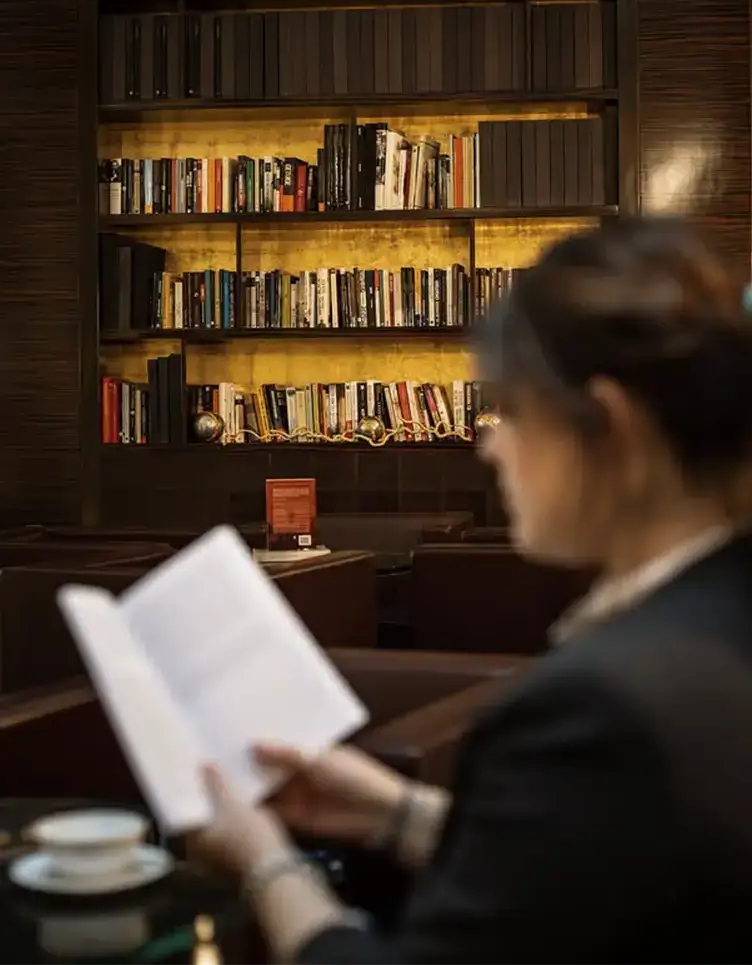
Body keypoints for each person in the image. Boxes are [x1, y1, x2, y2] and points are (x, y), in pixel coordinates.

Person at [197, 216, 752, 962]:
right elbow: (615, 860)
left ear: (612, 427)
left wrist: (266, 860)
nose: (490, 444)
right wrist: (397, 811)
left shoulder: (599, 703)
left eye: (511, 412)